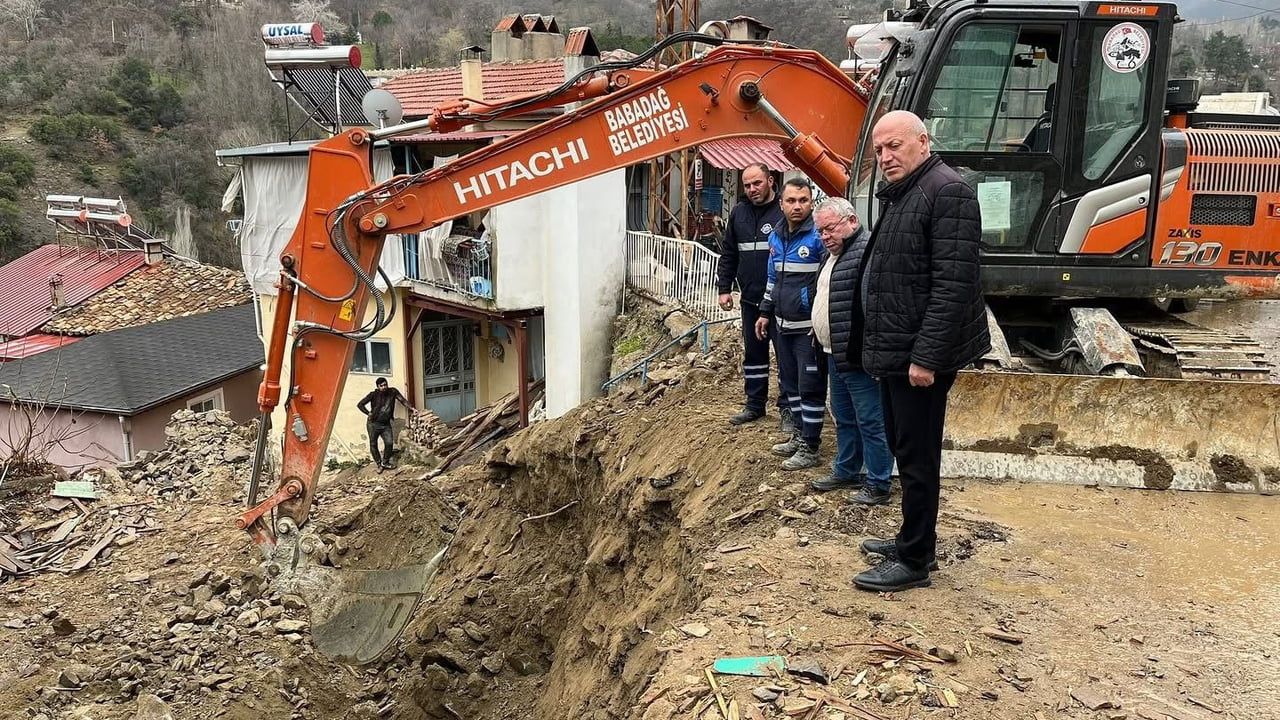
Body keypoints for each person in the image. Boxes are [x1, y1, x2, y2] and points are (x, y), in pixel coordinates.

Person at [852, 110, 991, 593]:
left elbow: (953, 285)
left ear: (923, 142)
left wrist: (926, 358)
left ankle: (915, 560)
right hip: (897, 350)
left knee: (917, 456)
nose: (886, 157)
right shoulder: (909, 191)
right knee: (903, 448)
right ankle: (913, 537)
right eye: (879, 150)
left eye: (895, 146)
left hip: (917, 356)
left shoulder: (946, 192)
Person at [808, 197, 894, 503]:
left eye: (829, 229)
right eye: (820, 231)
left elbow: (878, 307)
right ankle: (846, 470)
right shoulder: (832, 255)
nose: (825, 236)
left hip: (858, 355)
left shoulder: (866, 252)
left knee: (870, 419)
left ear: (852, 221)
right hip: (834, 352)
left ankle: (879, 482)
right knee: (844, 417)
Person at [755, 178, 826, 471]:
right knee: (791, 385)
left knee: (810, 387)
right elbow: (773, 279)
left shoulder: (819, 238)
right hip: (782, 326)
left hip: (807, 330)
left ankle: (810, 447)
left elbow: (827, 283)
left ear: (811, 203)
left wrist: (819, 320)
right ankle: (798, 435)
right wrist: (764, 312)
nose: (797, 206)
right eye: (791, 201)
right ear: (781, 204)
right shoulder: (776, 237)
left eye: (803, 201)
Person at [716, 163, 791, 431]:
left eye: (756, 183)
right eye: (747, 185)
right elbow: (729, 253)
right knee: (755, 355)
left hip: (780, 302)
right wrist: (724, 288)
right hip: (750, 299)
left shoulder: (784, 211)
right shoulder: (739, 213)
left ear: (770, 180)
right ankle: (755, 404)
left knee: (786, 358)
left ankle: (788, 410)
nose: (751, 190)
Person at [357, 377, 413, 471]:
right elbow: (360, 404)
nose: (384, 387)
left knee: (389, 443)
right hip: (373, 424)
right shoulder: (373, 395)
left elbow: (402, 400)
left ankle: (385, 462)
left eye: (385, 384)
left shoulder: (392, 392)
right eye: (381, 386)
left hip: (385, 424)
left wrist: (412, 408)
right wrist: (368, 413)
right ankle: (379, 464)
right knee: (373, 444)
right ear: (378, 387)